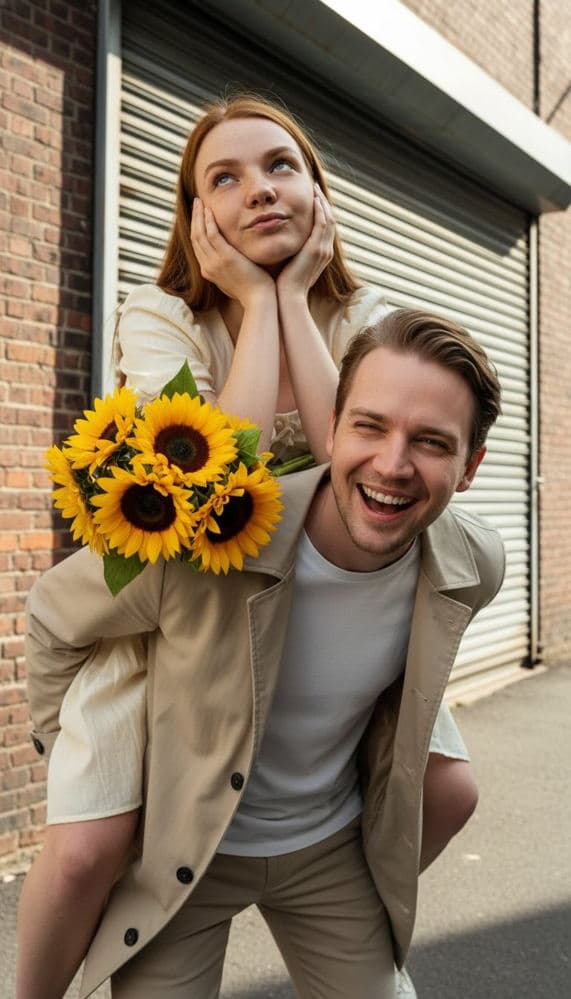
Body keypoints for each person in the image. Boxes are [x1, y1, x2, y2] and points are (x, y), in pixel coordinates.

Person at [17, 94, 476, 998]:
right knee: (85, 851)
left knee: (451, 788)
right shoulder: (158, 315)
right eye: (222, 178)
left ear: (318, 190)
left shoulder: (364, 313)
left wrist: (296, 295)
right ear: (196, 219)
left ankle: (338, 888)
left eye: (280, 166)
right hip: (181, 613)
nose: (258, 190)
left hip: (322, 600)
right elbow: (210, 488)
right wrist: (254, 300)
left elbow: (342, 449)